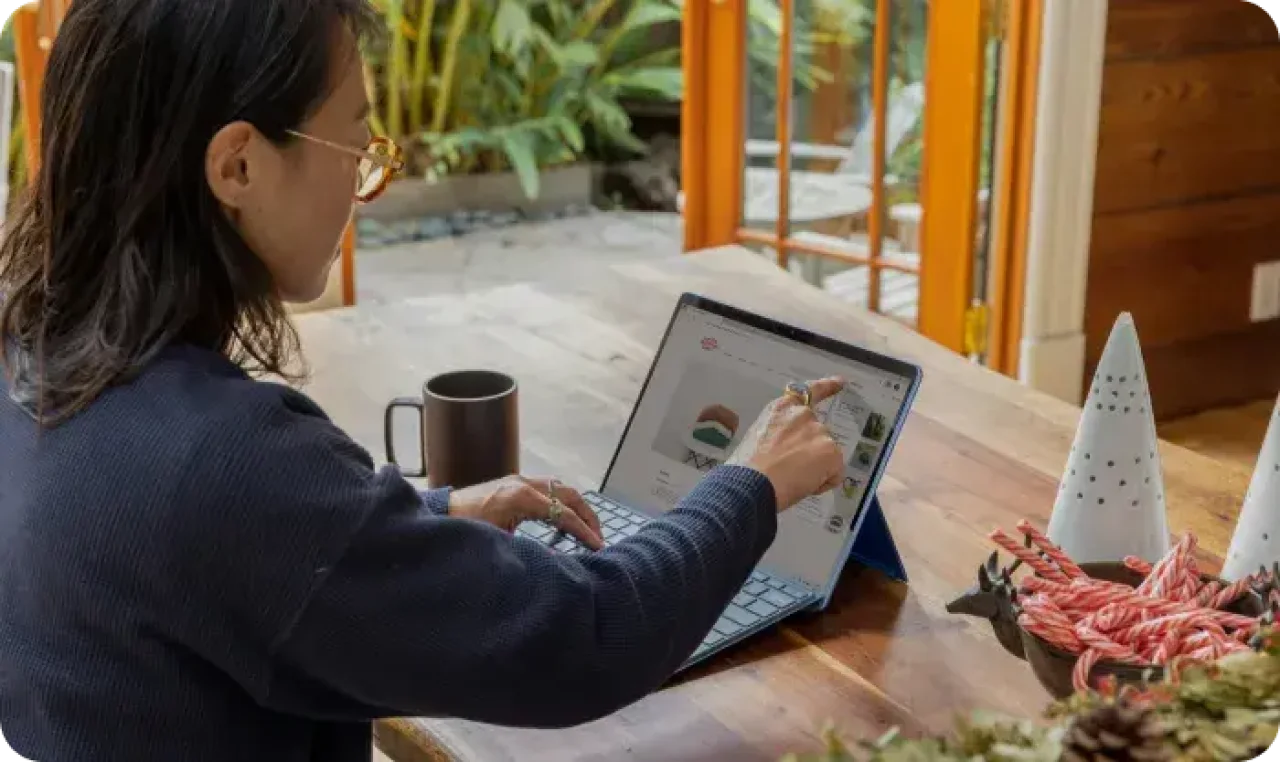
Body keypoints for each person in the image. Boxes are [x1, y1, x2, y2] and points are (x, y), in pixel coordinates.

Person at [0, 1, 847, 761]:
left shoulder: (27, 355)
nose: (364, 183)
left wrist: (427, 522)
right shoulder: (224, 462)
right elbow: (586, 637)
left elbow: (208, 569)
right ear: (237, 166)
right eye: (354, 144)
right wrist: (753, 483)